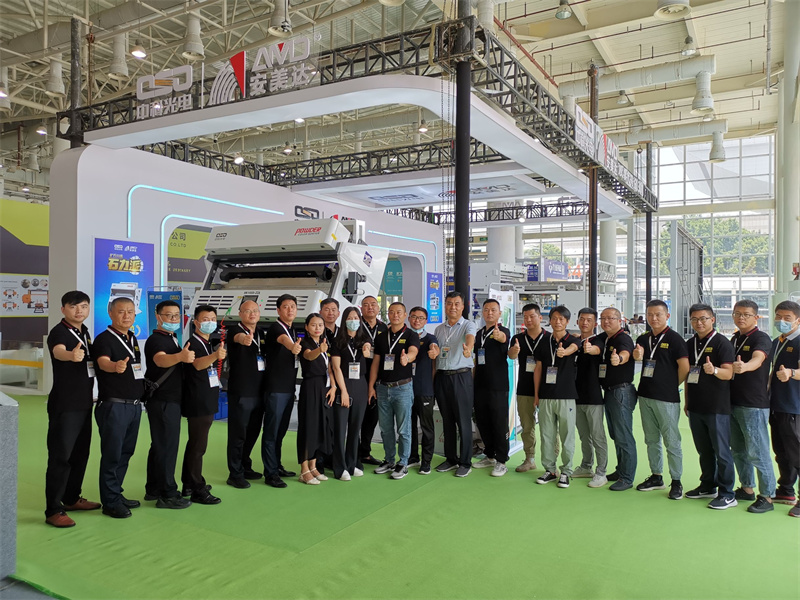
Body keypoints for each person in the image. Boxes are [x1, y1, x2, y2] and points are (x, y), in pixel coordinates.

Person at [44, 291, 101, 527]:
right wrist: (71, 355)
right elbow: (58, 351)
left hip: (84, 403)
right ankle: (53, 510)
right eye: (74, 306)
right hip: (65, 405)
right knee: (61, 457)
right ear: (63, 309)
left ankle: (71, 498)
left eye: (84, 306)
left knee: (80, 454)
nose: (79, 311)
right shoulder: (59, 332)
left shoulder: (84, 332)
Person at [92, 297, 146, 518]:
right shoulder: (104, 339)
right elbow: (102, 362)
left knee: (125, 452)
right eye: (121, 311)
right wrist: (115, 366)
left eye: (130, 312)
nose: (126, 316)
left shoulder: (131, 337)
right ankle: (110, 502)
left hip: (133, 406)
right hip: (114, 406)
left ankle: (116, 493)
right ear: (111, 313)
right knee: (112, 454)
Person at [632, 299, 689, 500]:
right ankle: (656, 476)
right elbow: (638, 359)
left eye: (658, 314)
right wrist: (637, 356)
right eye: (650, 314)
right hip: (645, 395)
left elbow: (685, 367)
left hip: (666, 398)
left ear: (667, 316)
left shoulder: (675, 339)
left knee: (672, 440)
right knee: (651, 439)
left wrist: (671, 386)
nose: (654, 318)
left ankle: (676, 480)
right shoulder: (643, 338)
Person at [683, 303, 737, 509]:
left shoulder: (722, 343)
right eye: (694, 319)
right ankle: (707, 485)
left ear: (712, 319)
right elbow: (688, 375)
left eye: (703, 318)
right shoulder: (690, 343)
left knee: (722, 452)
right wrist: (687, 401)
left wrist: (713, 370)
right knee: (704, 450)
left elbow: (729, 373)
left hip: (717, 407)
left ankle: (727, 493)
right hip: (696, 406)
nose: (699, 323)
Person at [142, 300, 193, 509]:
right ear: (158, 317)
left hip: (168, 400)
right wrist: (181, 356)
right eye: (169, 315)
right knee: (167, 447)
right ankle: (168, 494)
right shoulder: (156, 340)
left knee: (159, 445)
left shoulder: (171, 338)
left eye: (176, 315)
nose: (173, 319)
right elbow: (160, 360)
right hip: (164, 400)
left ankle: (154, 488)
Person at [728, 300, 776, 513]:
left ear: (756, 317)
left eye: (746, 314)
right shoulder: (734, 338)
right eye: (737, 313)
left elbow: (758, 359)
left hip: (753, 404)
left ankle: (767, 496)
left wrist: (745, 366)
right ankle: (747, 488)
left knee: (758, 451)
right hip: (733, 402)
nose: (741, 318)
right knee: (738, 450)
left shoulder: (761, 338)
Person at [369, 302, 420, 480]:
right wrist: (371, 387)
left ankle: (403, 463)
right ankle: (389, 460)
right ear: (388, 314)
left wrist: (408, 358)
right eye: (391, 312)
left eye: (399, 312)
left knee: (404, 429)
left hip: (402, 388)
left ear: (405, 315)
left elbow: (413, 351)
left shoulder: (411, 335)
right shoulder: (382, 336)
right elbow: (376, 363)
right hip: (383, 388)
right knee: (385, 428)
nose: (395, 315)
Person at [181, 305, 225, 505]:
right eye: (205, 319)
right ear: (196, 322)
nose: (210, 322)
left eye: (213, 319)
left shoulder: (206, 343)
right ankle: (196, 487)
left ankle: (189, 483)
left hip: (206, 399)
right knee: (198, 446)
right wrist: (216, 356)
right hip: (198, 401)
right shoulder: (193, 343)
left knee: (197, 444)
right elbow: (198, 364)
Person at [533, 305, 579, 488]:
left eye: (561, 319)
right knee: (546, 434)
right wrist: (536, 395)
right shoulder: (543, 341)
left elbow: (575, 347)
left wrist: (565, 352)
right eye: (554, 318)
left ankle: (566, 471)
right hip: (545, 396)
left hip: (566, 396)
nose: (557, 322)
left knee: (567, 435)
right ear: (550, 320)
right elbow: (538, 369)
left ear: (567, 321)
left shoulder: (573, 340)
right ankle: (550, 470)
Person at [433, 291, 477, 477]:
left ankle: (465, 462)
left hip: (461, 377)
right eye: (449, 303)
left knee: (463, 421)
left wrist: (469, 349)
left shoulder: (468, 325)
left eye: (457, 304)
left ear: (462, 306)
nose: (453, 307)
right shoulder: (438, 329)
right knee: (447, 420)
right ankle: (450, 459)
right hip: (442, 377)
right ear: (445, 305)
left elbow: (470, 338)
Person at [261, 294, 302, 489]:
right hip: (276, 389)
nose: (290, 309)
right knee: (271, 432)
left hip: (288, 388)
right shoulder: (277, 328)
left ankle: (276, 466)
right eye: (285, 306)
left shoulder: (292, 329)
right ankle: (270, 473)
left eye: (293, 306)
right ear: (278, 310)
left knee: (281, 431)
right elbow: (284, 340)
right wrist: (293, 347)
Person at [226, 300, 267, 488]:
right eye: (248, 311)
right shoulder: (234, 330)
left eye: (255, 311)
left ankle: (245, 465)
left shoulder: (260, 332)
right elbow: (238, 338)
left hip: (259, 391)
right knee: (238, 433)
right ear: (240, 313)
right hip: (241, 391)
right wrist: (244, 339)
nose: (252, 314)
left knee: (253, 431)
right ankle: (234, 473)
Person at [597, 307, 637, 492]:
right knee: (616, 434)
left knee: (624, 435)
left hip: (621, 392)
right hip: (610, 392)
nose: (606, 321)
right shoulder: (606, 338)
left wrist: (619, 359)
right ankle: (621, 470)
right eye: (603, 318)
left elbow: (626, 353)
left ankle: (627, 477)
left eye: (611, 318)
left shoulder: (623, 339)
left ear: (620, 321)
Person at [330, 307, 373, 480]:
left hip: (361, 384)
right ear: (344, 320)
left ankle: (352, 462)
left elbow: (369, 350)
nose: (353, 320)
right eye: (350, 317)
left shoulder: (364, 339)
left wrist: (367, 349)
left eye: (356, 317)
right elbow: (336, 368)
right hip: (344, 383)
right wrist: (344, 391)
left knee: (356, 428)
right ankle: (340, 467)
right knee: (341, 429)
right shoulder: (338, 341)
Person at [472, 299, 512, 477]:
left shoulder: (503, 331)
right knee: (483, 421)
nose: (489, 313)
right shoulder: (479, 333)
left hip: (498, 385)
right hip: (480, 384)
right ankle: (489, 455)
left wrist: (499, 336)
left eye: (493, 310)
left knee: (499, 422)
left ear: (499, 313)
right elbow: (476, 359)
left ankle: (501, 460)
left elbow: (503, 339)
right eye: (486, 309)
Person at [768, 300, 800, 518]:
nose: (781, 321)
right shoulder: (777, 341)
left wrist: (791, 373)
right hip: (776, 405)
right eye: (778, 316)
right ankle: (786, 490)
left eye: (787, 318)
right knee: (781, 452)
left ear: (798, 320)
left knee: (797, 453)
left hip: (794, 406)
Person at [508, 303, 548, 473]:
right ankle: (529, 458)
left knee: (549, 427)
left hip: (547, 389)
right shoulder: (517, 338)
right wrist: (514, 350)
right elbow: (511, 356)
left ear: (540, 317)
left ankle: (550, 463)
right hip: (524, 387)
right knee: (526, 426)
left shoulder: (549, 338)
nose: (528, 320)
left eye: (532, 316)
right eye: (525, 317)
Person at [297, 313, 335, 484]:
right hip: (310, 387)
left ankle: (313, 467)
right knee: (308, 426)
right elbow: (308, 356)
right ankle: (304, 469)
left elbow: (329, 368)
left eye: (320, 325)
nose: (317, 328)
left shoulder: (324, 343)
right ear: (307, 327)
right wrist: (320, 350)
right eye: (313, 325)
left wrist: (333, 386)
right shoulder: (305, 343)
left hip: (323, 387)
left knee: (320, 426)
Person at [573, 308, 609, 488]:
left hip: (594, 397)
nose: (585, 323)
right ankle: (586, 465)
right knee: (583, 435)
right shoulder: (574, 341)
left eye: (589, 320)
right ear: (577, 321)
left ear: (595, 323)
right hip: (575, 396)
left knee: (597, 436)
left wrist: (590, 349)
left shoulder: (599, 341)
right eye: (582, 319)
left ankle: (601, 472)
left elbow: (596, 350)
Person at [407, 307, 439, 475]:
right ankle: (412, 457)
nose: (417, 320)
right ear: (409, 318)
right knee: (408, 426)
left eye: (420, 318)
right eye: (414, 317)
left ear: (426, 321)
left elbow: (435, 348)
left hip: (424, 390)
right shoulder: (404, 336)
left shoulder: (430, 338)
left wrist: (434, 351)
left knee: (426, 427)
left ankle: (426, 461)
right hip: (405, 389)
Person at [359, 295, 388, 466]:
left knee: (372, 416)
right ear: (361, 308)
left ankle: (365, 452)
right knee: (356, 416)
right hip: (357, 376)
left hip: (378, 377)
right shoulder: (355, 324)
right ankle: (352, 452)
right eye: (366, 305)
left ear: (378, 308)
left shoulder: (384, 327)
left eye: (373, 304)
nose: (370, 307)